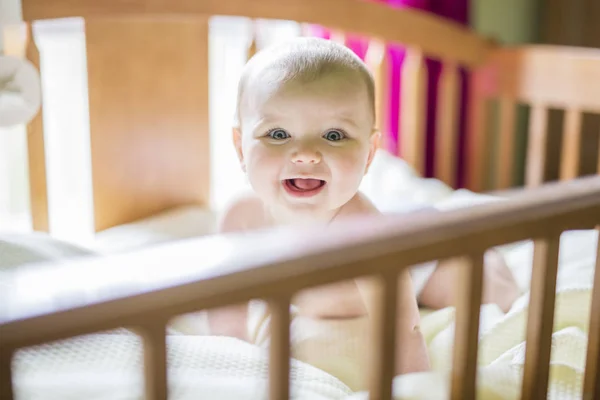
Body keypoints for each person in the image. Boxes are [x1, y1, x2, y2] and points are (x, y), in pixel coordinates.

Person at [207, 37, 519, 374]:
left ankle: (487, 255)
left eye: (334, 135)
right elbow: (227, 306)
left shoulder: (363, 232)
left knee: (485, 291)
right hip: (386, 237)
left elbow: (403, 326)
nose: (306, 153)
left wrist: (413, 387)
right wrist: (232, 358)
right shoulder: (241, 219)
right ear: (241, 148)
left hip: (423, 263)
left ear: (369, 154)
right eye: (279, 134)